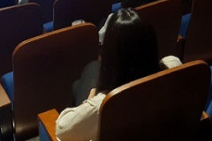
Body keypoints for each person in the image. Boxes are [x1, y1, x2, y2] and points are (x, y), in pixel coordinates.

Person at [56, 8, 159, 141]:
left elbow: (62, 129)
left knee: (85, 77)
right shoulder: (172, 69)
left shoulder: (104, 106)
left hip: (93, 115)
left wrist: (91, 99)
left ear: (110, 54)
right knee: (78, 84)